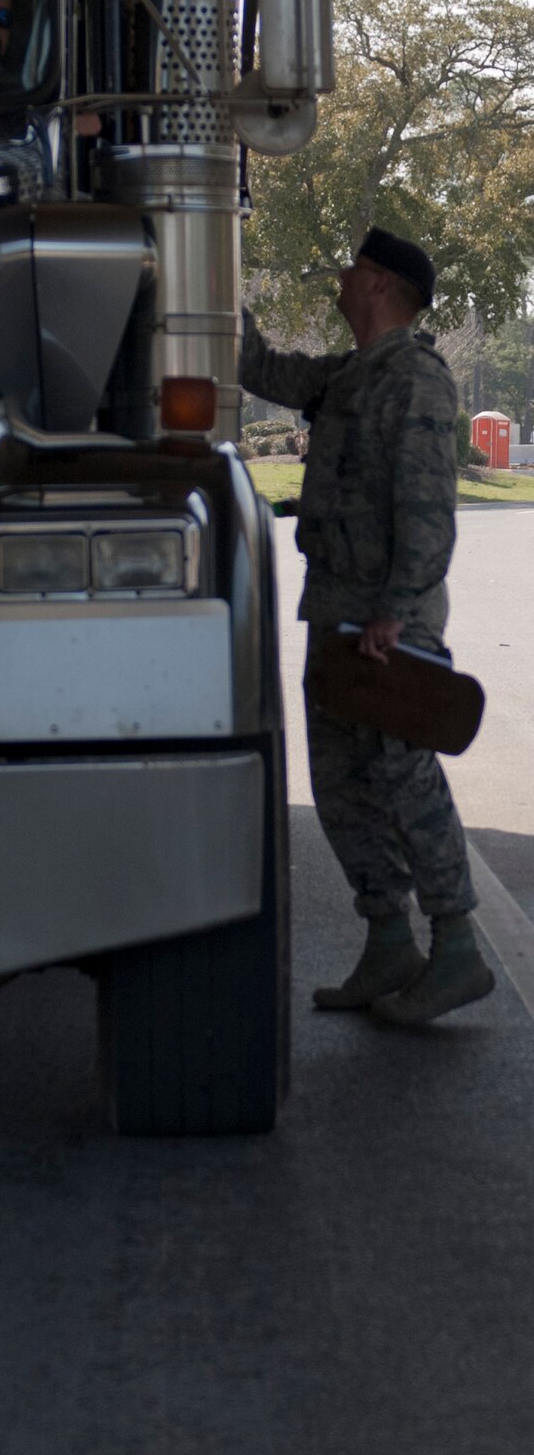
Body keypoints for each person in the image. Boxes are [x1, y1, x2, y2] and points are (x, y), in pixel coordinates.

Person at [241, 229, 494, 1025]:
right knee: (343, 784)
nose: (341, 278)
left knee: (405, 779)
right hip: (336, 608)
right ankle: (388, 939)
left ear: (382, 284)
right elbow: (267, 373)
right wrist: (224, 298)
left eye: (353, 268)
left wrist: (396, 609)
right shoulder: (354, 373)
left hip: (391, 618)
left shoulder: (416, 378)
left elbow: (429, 510)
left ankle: (457, 946)